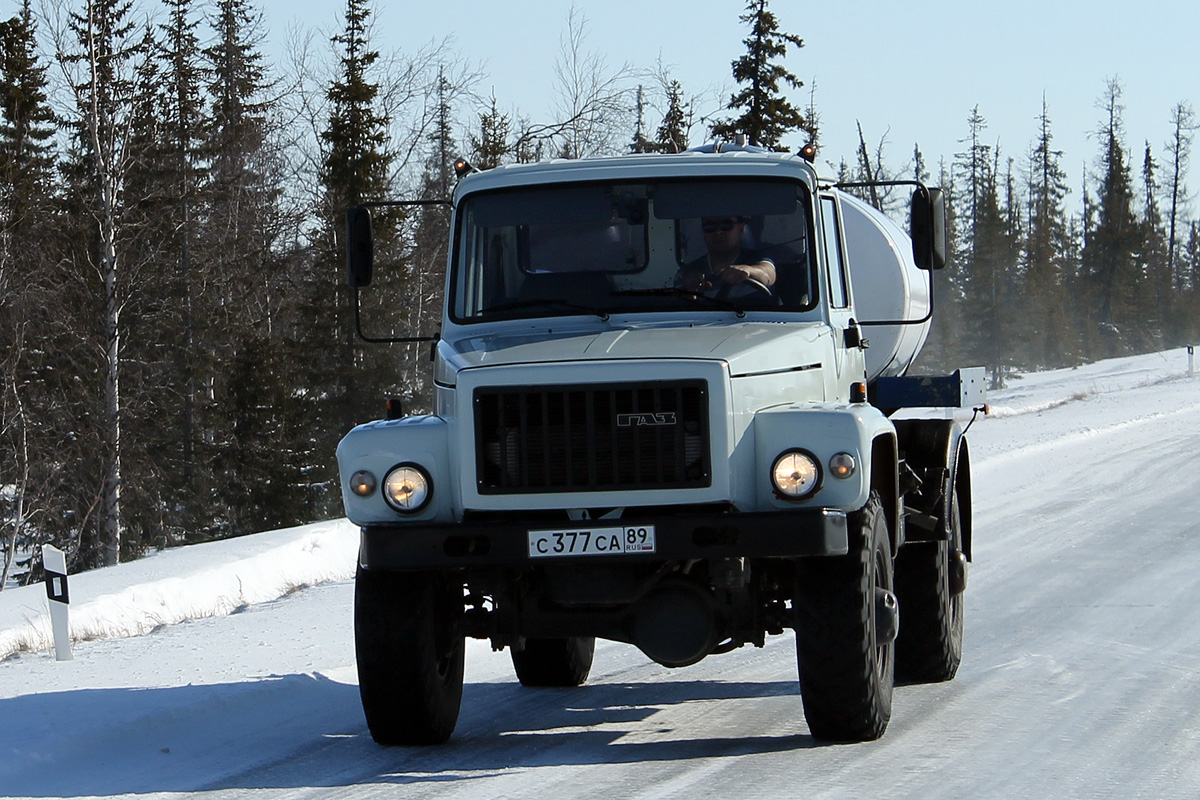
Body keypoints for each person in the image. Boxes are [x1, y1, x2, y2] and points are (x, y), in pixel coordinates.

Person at [676, 216, 776, 296]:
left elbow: (768, 274)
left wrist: (748, 271)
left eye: (726, 225)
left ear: (741, 229)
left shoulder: (757, 258)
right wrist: (690, 292)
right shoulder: (691, 270)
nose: (718, 232)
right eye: (710, 227)